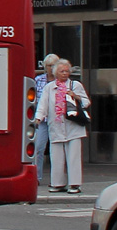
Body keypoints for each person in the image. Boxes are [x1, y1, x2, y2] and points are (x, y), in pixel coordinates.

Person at [38, 58, 92, 194]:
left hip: (73, 126)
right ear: (56, 73)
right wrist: (38, 119)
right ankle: (57, 183)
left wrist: (76, 97)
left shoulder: (75, 85)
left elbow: (86, 102)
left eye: (67, 71)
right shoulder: (49, 88)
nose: (65, 74)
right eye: (62, 71)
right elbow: (42, 105)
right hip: (55, 126)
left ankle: (74, 184)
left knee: (73, 156)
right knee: (56, 157)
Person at [33, 53, 60, 185]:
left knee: (57, 149)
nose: (51, 68)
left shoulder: (61, 81)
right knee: (38, 147)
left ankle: (57, 179)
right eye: (48, 66)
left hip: (57, 119)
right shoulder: (38, 80)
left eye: (53, 65)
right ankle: (36, 177)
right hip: (42, 120)